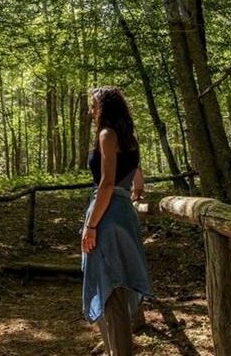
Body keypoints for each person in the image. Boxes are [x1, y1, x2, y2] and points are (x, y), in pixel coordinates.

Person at [81, 87, 153, 356]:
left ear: (103, 108)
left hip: (107, 214)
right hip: (125, 214)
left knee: (108, 285)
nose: (91, 111)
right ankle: (115, 348)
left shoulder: (106, 134)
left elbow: (107, 182)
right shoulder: (129, 139)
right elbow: (137, 177)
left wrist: (91, 225)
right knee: (117, 283)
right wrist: (136, 190)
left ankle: (118, 351)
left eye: (94, 106)